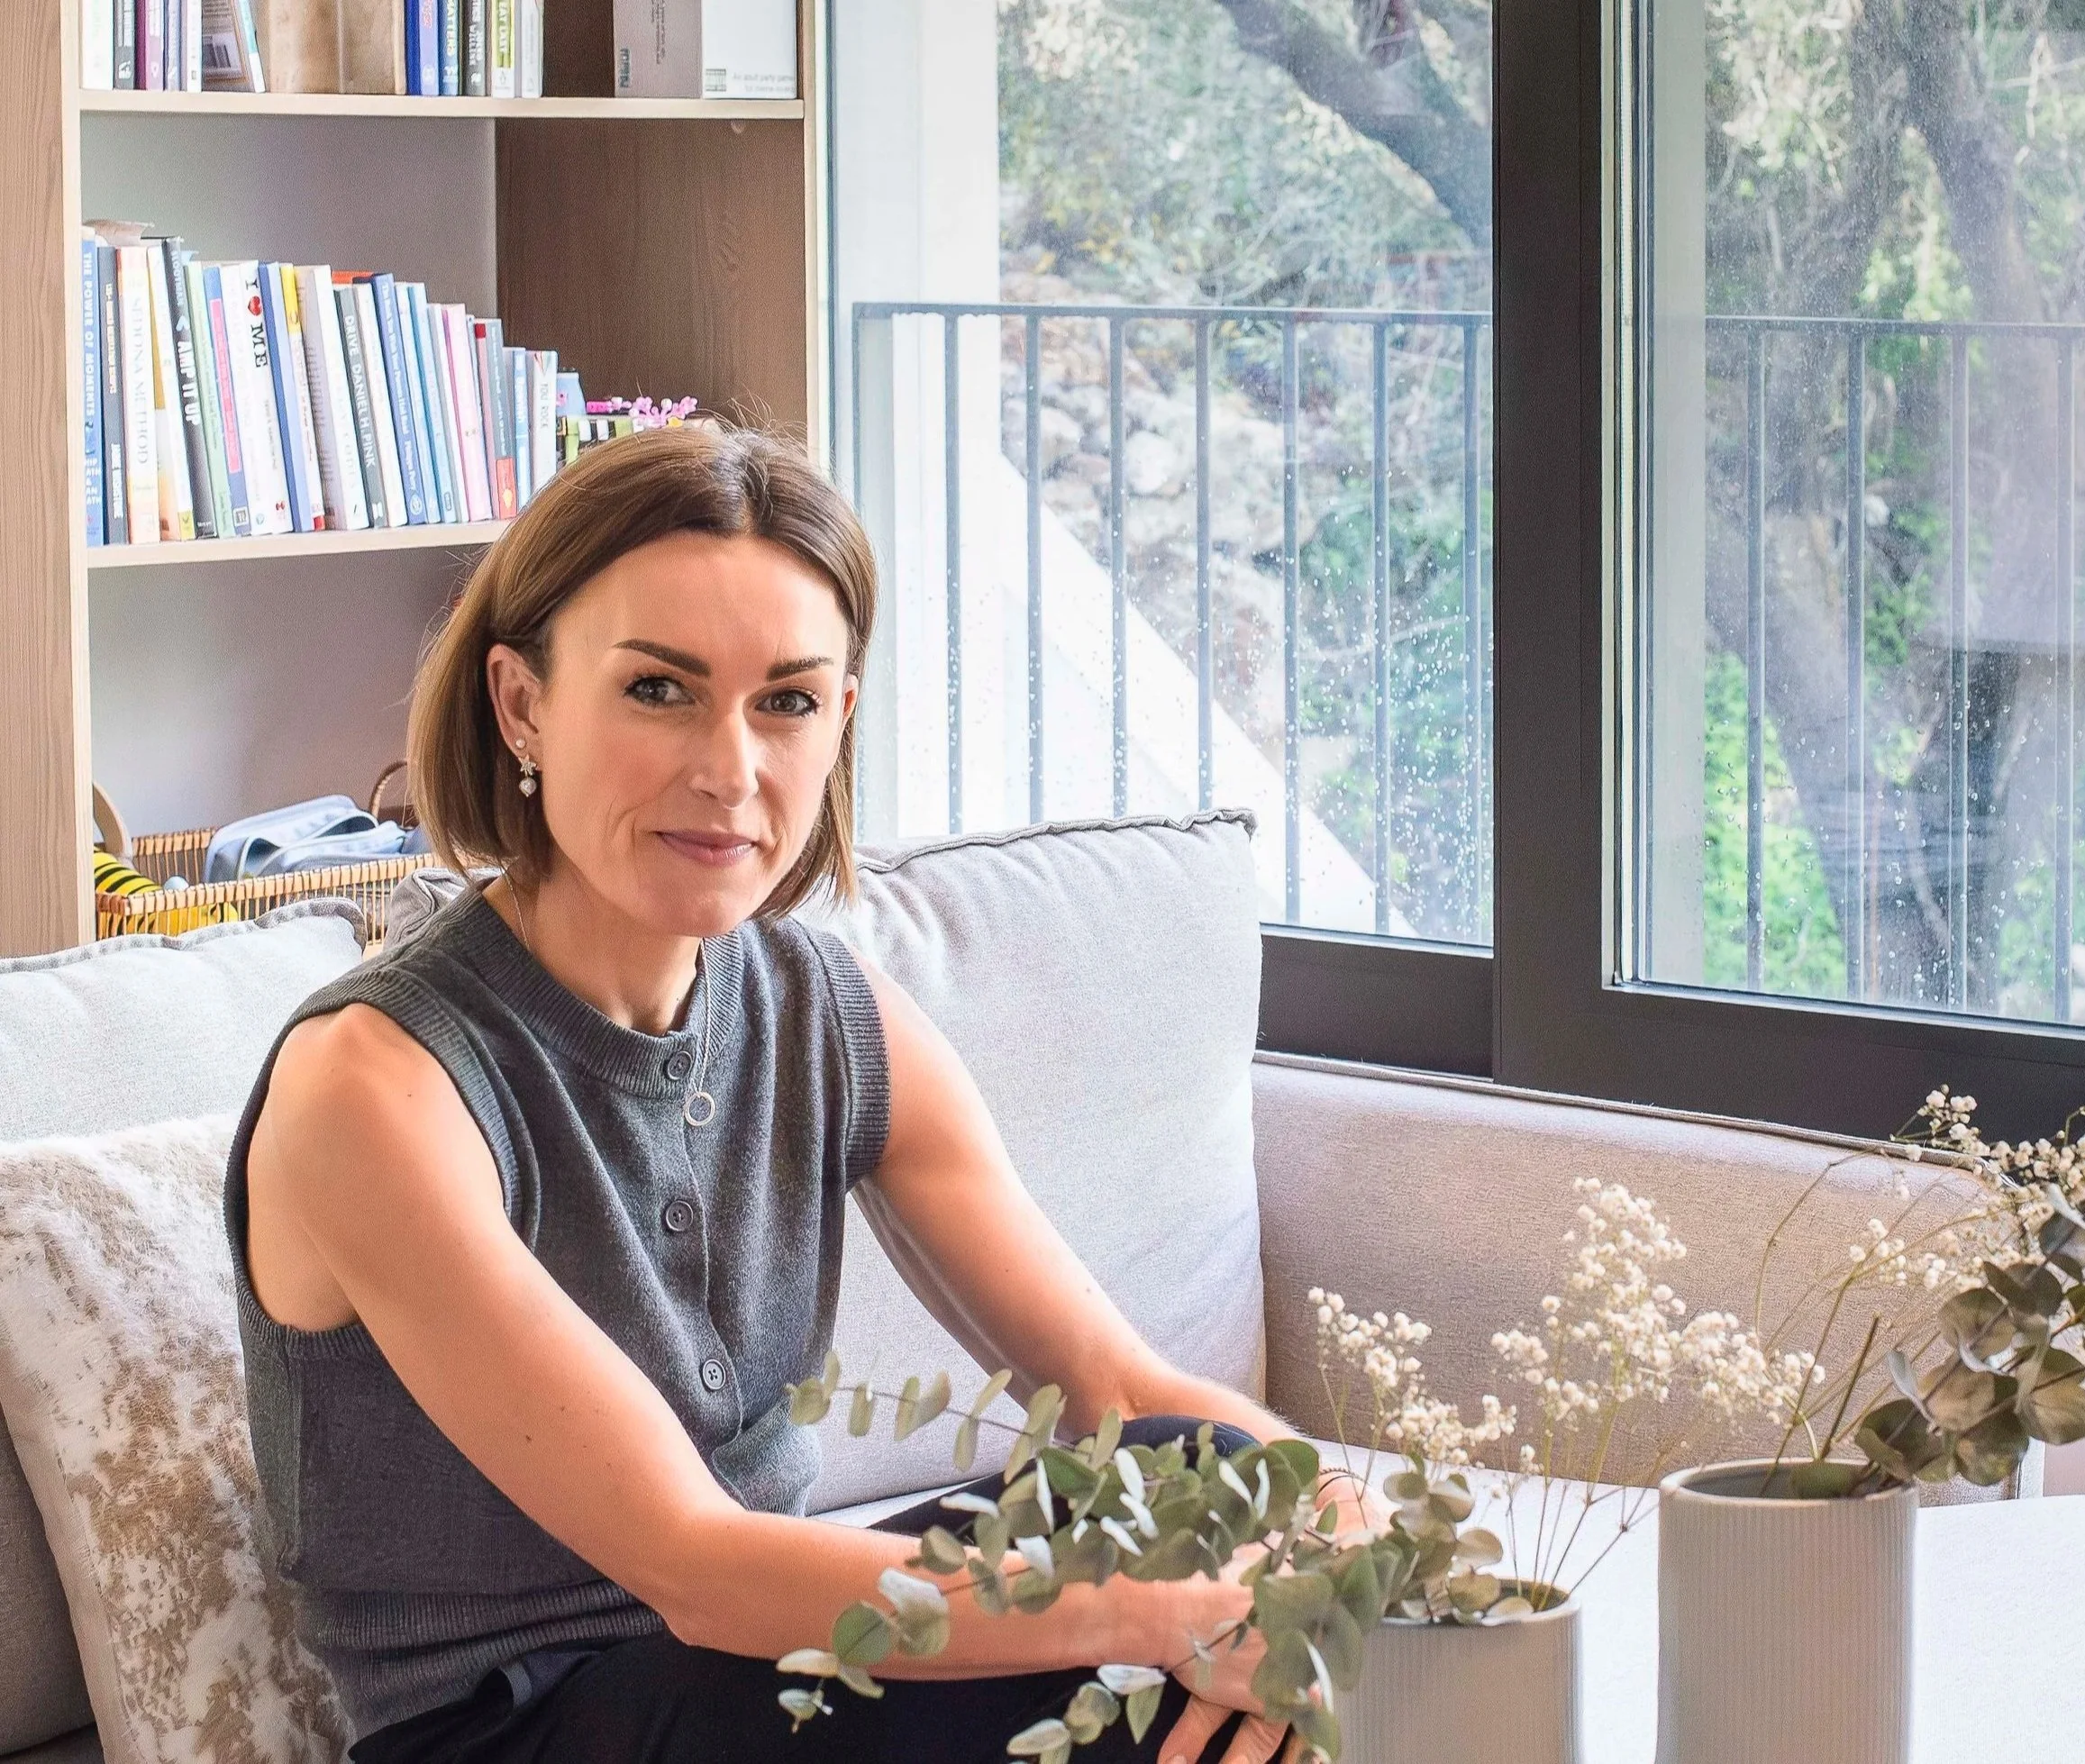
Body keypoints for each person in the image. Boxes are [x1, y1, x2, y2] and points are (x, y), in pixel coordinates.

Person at [229, 424, 1328, 1764]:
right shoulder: (378, 1085)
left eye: (787, 701)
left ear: (841, 716)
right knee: (1108, 1686)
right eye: (658, 690)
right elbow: (697, 1565)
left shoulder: (823, 1006)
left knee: (1197, 1475)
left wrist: (1334, 1515)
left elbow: (1107, 1378)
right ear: (522, 705)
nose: (730, 770)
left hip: (768, 1667)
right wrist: (1163, 1617)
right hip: (539, 1720)